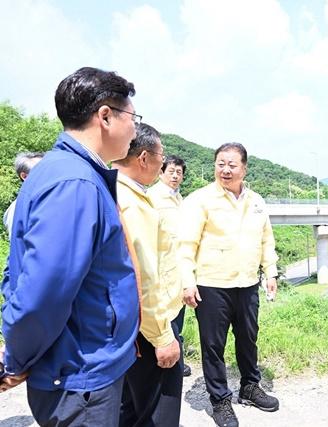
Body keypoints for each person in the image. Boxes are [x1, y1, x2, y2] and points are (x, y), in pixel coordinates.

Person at [0, 67, 140, 426]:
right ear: (105, 116)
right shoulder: (75, 183)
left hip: (82, 363)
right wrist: (18, 358)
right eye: (132, 117)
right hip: (80, 376)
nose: (135, 128)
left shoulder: (66, 171)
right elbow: (41, 293)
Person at [179, 142, 279, 427]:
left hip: (247, 283)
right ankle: (220, 400)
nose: (225, 169)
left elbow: (266, 240)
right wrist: (188, 281)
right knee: (213, 345)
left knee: (248, 339)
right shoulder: (199, 200)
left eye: (232, 164)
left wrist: (270, 272)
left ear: (244, 168)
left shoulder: (257, 201)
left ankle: (249, 387)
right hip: (211, 285)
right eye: (220, 163)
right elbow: (185, 244)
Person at [113, 124, 184, 427]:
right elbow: (144, 277)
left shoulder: (111, 188)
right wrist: (164, 336)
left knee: (130, 406)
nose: (162, 164)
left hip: (125, 328)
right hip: (147, 329)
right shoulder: (134, 203)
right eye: (160, 157)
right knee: (158, 410)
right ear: (143, 158)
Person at [147, 155, 192, 377]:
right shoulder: (153, 196)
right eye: (171, 171)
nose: (175, 176)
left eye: (179, 172)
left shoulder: (180, 199)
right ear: (161, 172)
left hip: (179, 268)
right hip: (161, 267)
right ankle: (167, 361)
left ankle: (177, 360)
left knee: (178, 315)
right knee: (165, 317)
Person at [3, 152, 44, 238]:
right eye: (41, 170)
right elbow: (19, 245)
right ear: (24, 176)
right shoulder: (17, 209)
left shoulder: (47, 201)